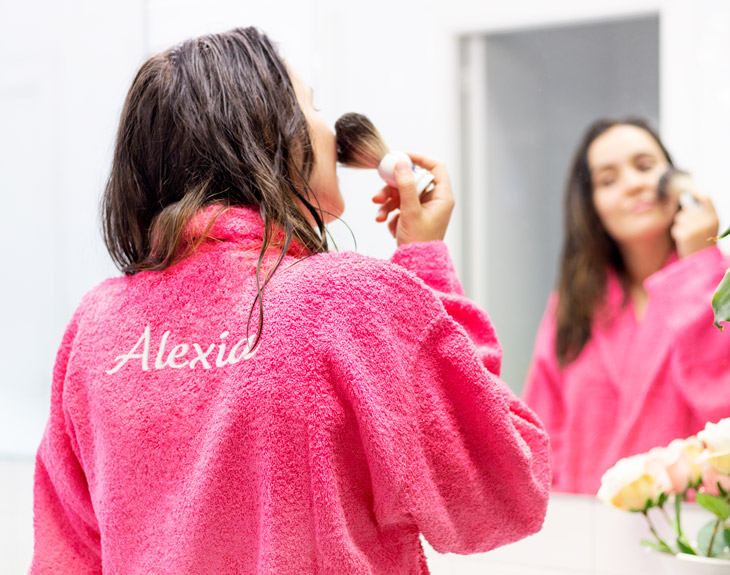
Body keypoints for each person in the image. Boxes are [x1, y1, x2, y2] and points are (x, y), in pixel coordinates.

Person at [30, 27, 550, 574]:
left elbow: (66, 557)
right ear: (274, 136)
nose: (332, 129)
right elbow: (507, 489)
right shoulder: (347, 303)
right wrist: (425, 262)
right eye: (314, 106)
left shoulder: (98, 325)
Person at [523, 117, 730, 495]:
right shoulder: (572, 305)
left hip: (690, 525)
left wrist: (700, 266)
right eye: (608, 180)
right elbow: (540, 434)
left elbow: (724, 401)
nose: (633, 184)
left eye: (645, 166)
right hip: (586, 522)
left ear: (675, 180)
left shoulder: (719, 285)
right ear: (592, 207)